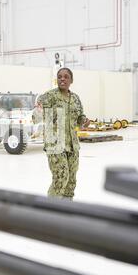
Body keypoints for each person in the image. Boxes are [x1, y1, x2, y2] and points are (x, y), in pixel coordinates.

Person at [37, 68, 90, 200]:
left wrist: (84, 121)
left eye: (66, 77)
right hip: (55, 144)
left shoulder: (75, 98)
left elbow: (79, 117)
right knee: (61, 177)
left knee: (71, 180)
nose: (62, 79)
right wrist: (38, 110)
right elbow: (37, 113)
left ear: (71, 80)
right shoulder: (49, 96)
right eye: (60, 76)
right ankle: (51, 208)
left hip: (72, 145)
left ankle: (66, 207)